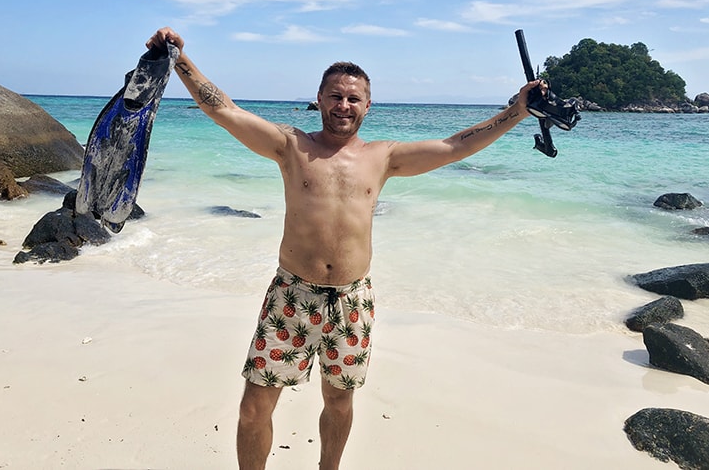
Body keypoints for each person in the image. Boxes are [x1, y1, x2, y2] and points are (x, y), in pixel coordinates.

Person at [147, 27, 542, 470]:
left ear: (368, 106)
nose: (344, 106)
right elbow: (224, 111)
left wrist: (518, 111)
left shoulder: (384, 157)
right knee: (253, 410)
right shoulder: (290, 146)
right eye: (335, 96)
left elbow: (455, 146)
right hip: (291, 296)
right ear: (318, 99)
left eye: (354, 99)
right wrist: (179, 58)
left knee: (339, 403)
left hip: (352, 303)